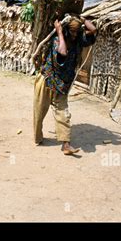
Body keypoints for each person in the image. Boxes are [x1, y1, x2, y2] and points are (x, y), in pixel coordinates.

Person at [33, 16, 97, 155]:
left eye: (76, 32)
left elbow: (93, 29)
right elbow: (62, 52)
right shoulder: (57, 39)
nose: (74, 35)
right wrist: (60, 32)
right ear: (67, 30)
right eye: (72, 32)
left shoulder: (78, 40)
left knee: (63, 113)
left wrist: (83, 19)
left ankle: (65, 144)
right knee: (39, 112)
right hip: (46, 80)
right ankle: (38, 137)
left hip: (62, 84)